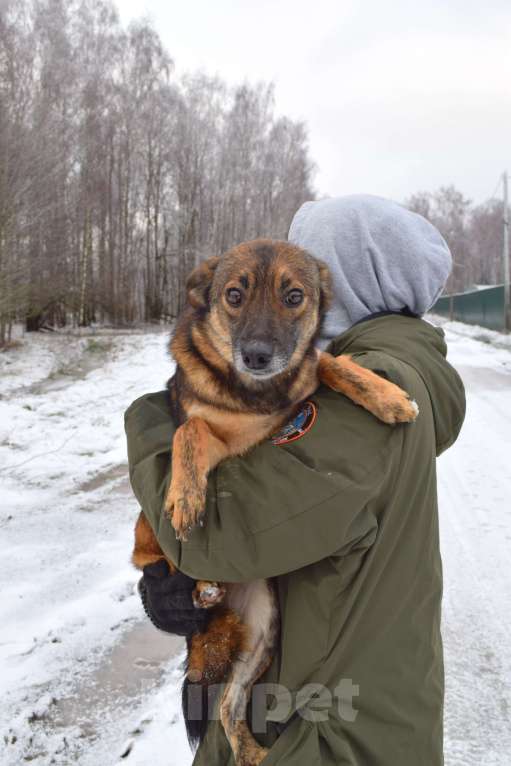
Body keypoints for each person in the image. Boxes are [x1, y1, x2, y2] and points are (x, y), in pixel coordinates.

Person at [125, 195, 465, 765]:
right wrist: (174, 575)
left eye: (294, 290)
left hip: (326, 738)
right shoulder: (337, 374)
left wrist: (151, 422)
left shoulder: (373, 386)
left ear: (351, 282)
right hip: (303, 716)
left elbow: (224, 534)